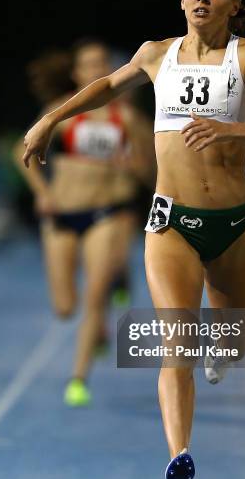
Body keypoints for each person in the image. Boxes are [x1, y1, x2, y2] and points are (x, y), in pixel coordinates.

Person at [22, 0, 245, 479]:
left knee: (230, 341)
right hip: (170, 220)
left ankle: (219, 353)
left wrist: (233, 130)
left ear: (233, 6)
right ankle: (179, 454)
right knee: (176, 339)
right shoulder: (157, 55)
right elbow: (106, 86)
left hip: (230, 224)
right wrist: (48, 120)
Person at [14, 38, 154, 407]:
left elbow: (154, 174)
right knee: (65, 307)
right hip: (62, 214)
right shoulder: (61, 110)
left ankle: (78, 378)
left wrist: (134, 166)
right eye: (88, 65)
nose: (96, 70)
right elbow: (21, 150)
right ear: (76, 73)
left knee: (95, 296)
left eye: (102, 63)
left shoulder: (126, 117)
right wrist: (42, 192)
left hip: (107, 213)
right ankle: (115, 283)